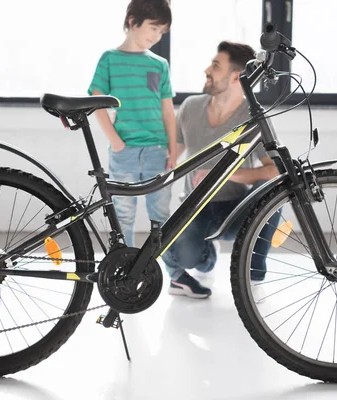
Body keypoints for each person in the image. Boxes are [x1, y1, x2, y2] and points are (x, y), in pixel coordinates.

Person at [161, 41, 281, 298]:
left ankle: (254, 267)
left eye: (216, 66)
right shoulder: (191, 107)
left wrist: (225, 173)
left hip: (235, 209)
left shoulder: (254, 118)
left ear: (236, 76)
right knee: (185, 255)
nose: (207, 70)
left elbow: (275, 170)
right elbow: (173, 154)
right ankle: (208, 256)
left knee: (274, 190)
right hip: (196, 206)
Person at [88, 0, 177, 247]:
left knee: (161, 215)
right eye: (153, 28)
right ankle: (123, 270)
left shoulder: (159, 65)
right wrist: (116, 142)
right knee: (123, 216)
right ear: (132, 21)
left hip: (157, 151)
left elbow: (168, 112)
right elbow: (96, 100)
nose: (157, 36)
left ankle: (160, 269)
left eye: (161, 32)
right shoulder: (109, 59)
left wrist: (173, 149)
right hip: (123, 152)